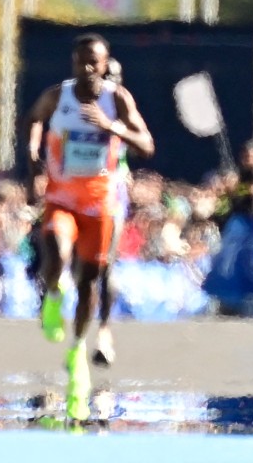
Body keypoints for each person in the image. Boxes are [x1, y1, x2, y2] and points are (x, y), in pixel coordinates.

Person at [24, 34, 154, 421]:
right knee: (57, 254)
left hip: (102, 204)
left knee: (92, 279)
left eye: (93, 62)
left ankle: (78, 345)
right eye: (80, 61)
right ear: (73, 63)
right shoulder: (58, 95)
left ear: (104, 64)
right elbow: (34, 117)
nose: (86, 69)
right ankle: (51, 294)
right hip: (63, 197)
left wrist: (111, 126)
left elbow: (147, 144)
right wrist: (34, 155)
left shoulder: (117, 100)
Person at [92, 57, 130, 367]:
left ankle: (104, 331)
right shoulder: (72, 104)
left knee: (106, 265)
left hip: (109, 194)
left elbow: (142, 142)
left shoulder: (123, 110)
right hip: (73, 192)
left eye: (114, 77)